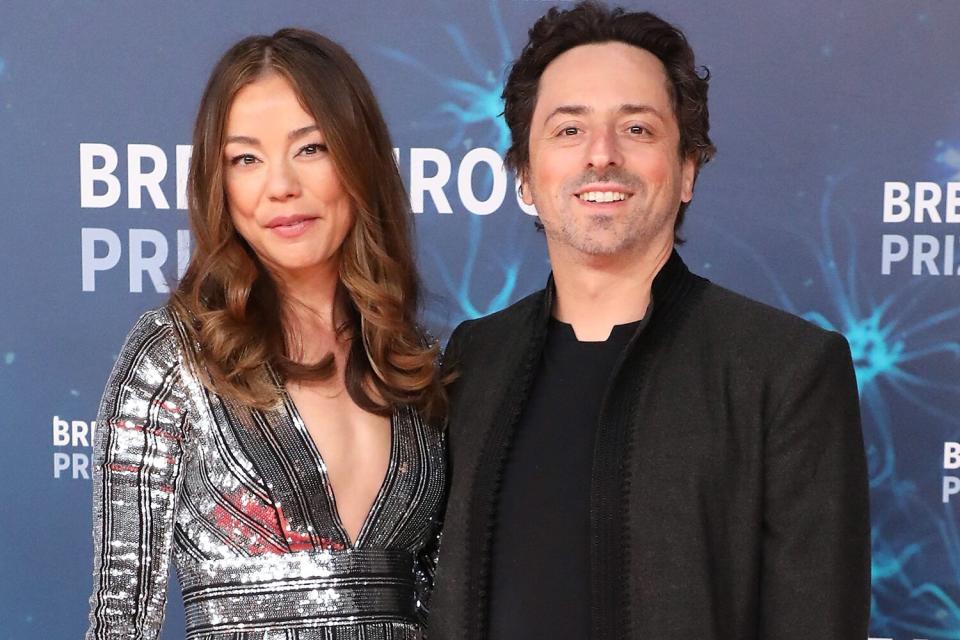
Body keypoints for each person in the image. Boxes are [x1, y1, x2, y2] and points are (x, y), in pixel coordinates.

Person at [429, 3, 870, 639]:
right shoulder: (476, 358)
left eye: (636, 129)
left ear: (688, 168)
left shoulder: (786, 370)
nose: (601, 156)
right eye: (568, 130)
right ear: (524, 173)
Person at [86, 29, 445, 640]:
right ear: (218, 185)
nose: (280, 185)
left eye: (311, 149)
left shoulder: (412, 361)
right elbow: (120, 620)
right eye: (245, 159)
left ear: (359, 160)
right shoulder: (173, 358)